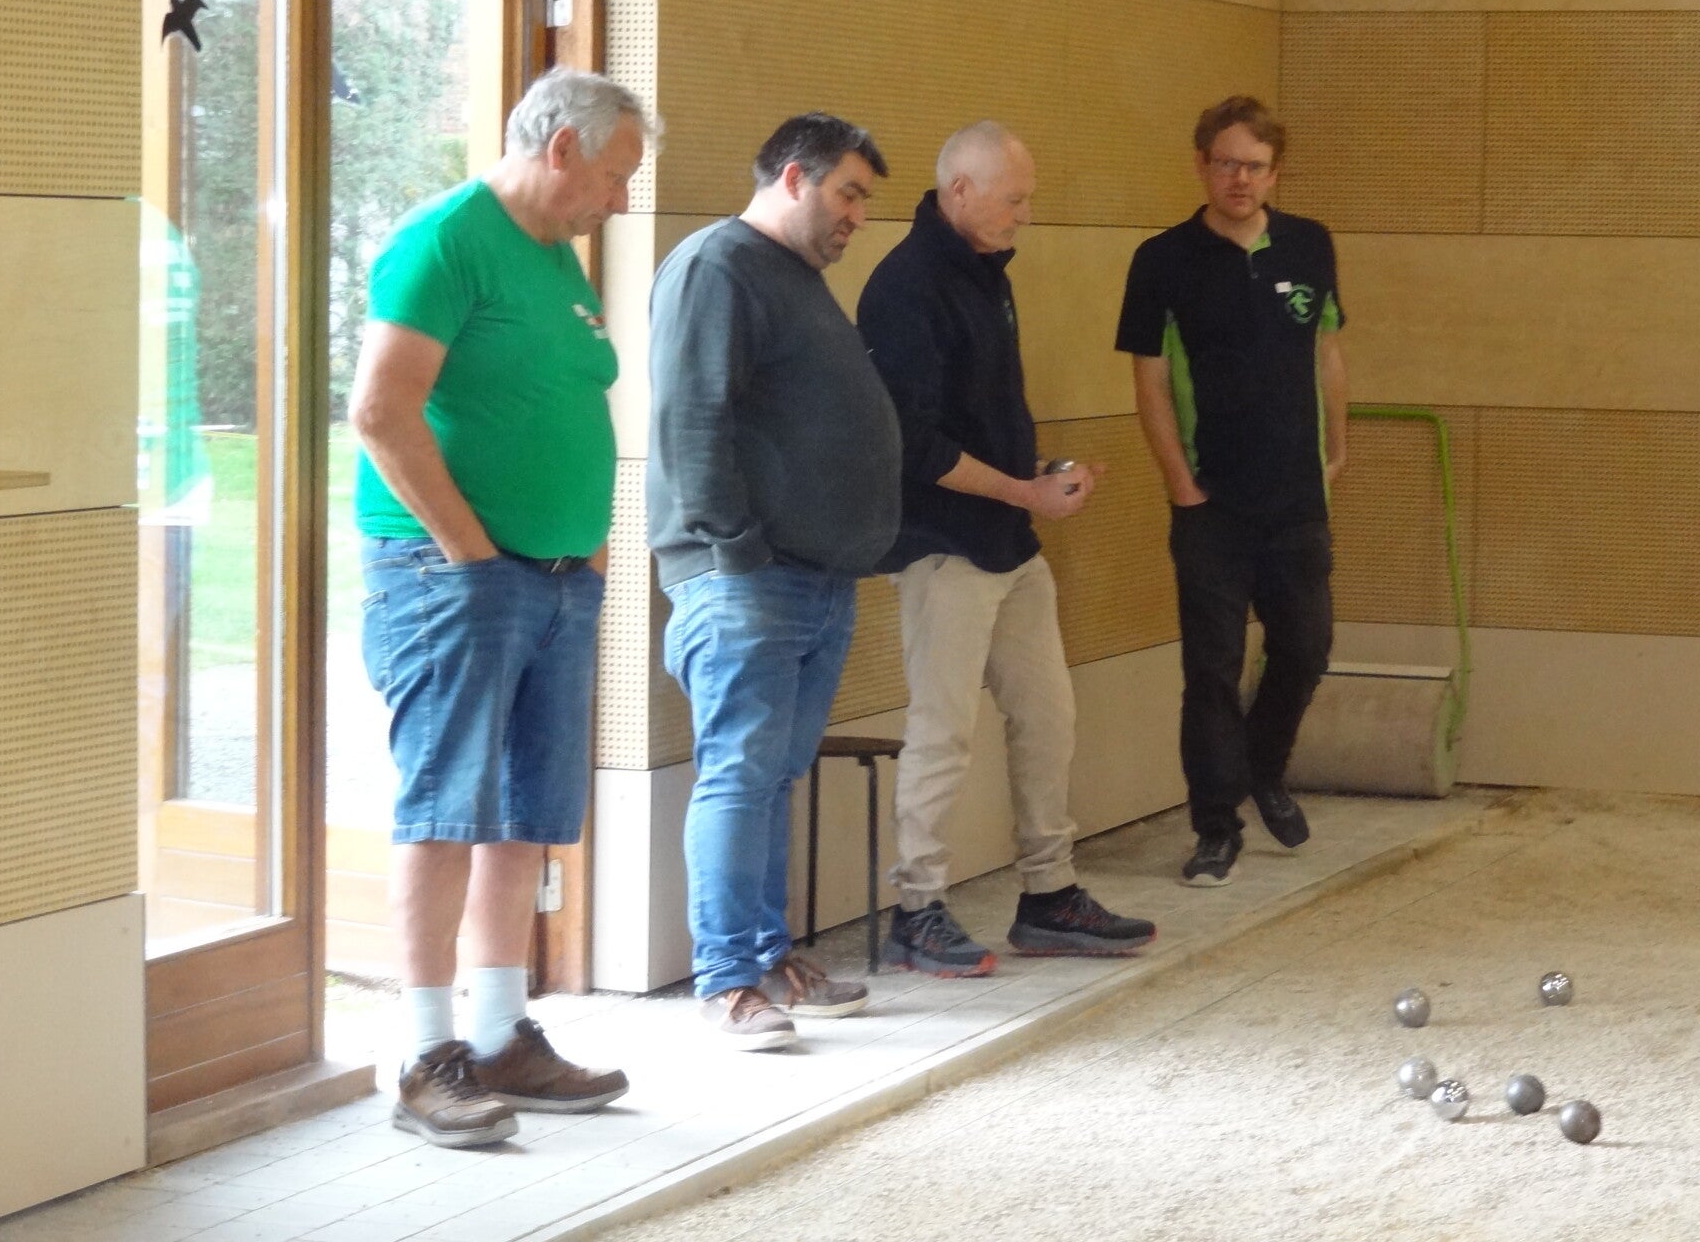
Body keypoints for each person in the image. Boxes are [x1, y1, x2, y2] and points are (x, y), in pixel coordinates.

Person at [350, 68, 655, 1146]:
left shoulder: (555, 253)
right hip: (457, 577)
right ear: (562, 146)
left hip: (559, 578)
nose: (621, 199)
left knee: (527, 815)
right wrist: (471, 555)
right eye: (616, 175)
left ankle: (498, 1036)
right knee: (447, 813)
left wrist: (586, 549)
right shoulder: (445, 242)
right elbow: (380, 411)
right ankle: (425, 1057)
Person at [857, 121, 1157, 977]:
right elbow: (916, 444)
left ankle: (1049, 894)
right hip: (941, 547)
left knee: (1048, 716)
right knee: (943, 729)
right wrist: (1026, 492)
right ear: (960, 190)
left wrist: (1042, 475)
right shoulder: (905, 287)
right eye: (1013, 199)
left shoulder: (989, 273)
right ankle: (917, 910)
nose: (1025, 215)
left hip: (1010, 540)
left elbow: (982, 417)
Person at [648, 113, 903, 1050]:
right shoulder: (718, 266)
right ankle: (726, 980)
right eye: (848, 193)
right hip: (748, 580)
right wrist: (737, 549)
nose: (857, 216)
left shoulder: (792, 277)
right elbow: (690, 419)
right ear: (793, 178)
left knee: (772, 779)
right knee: (740, 774)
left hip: (813, 580)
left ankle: (768, 958)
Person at [1114, 95, 1349, 888]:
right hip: (1210, 502)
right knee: (1211, 669)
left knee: (1306, 646)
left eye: (1254, 166)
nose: (1239, 179)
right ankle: (1216, 826)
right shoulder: (1163, 260)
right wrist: (1179, 483)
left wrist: (1337, 449)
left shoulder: (1310, 245)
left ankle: (1264, 768)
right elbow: (1149, 382)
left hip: (1296, 501)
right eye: (1225, 164)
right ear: (1201, 165)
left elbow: (1328, 353)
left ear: (1275, 173)